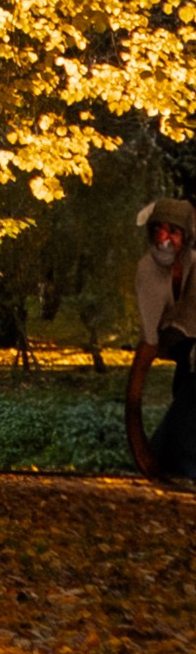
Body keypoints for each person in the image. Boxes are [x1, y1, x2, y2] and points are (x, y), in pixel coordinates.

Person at [128, 196, 196, 490]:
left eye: (173, 231)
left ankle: (177, 461)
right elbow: (152, 335)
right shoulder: (148, 270)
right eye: (159, 230)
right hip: (177, 338)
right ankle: (175, 461)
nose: (163, 238)